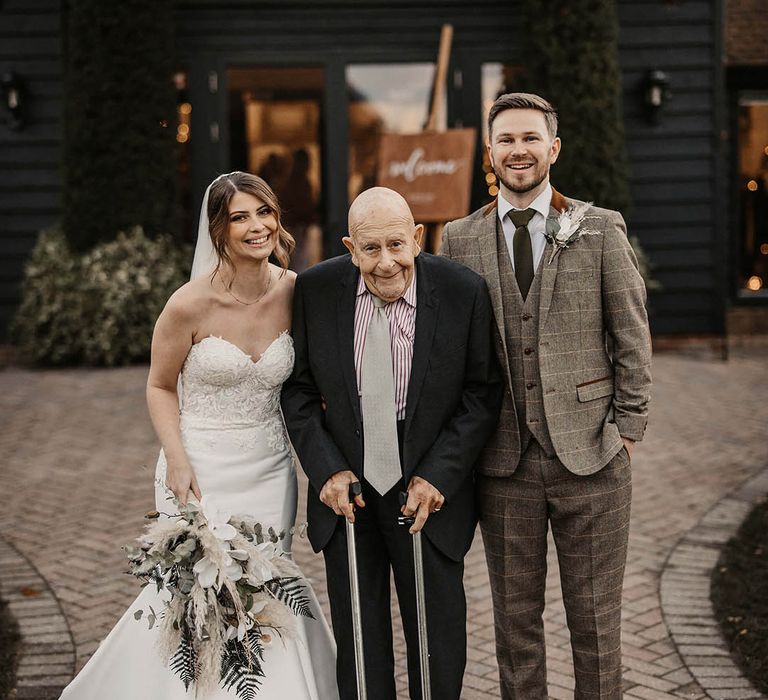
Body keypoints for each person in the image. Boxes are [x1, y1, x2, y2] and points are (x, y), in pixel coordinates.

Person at [60, 172, 338, 700]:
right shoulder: (188, 304)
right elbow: (160, 386)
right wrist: (177, 459)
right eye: (240, 217)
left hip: (270, 466)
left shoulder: (294, 291)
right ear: (218, 230)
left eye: (264, 212)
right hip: (199, 468)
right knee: (192, 594)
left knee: (264, 590)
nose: (256, 226)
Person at [440, 93, 652, 699]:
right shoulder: (460, 239)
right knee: (515, 629)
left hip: (593, 459)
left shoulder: (600, 228)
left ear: (553, 148)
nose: (518, 150)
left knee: (595, 627)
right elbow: (450, 352)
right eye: (505, 139)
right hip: (502, 464)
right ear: (490, 153)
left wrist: (628, 430)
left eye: (530, 138)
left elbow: (631, 335)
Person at [281, 187, 504, 700]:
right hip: (349, 486)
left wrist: (438, 475)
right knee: (359, 641)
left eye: (398, 246)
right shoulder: (315, 290)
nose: (386, 263)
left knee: (435, 641)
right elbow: (298, 388)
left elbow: (482, 392)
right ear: (349, 247)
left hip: (428, 483)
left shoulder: (462, 290)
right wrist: (327, 470)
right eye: (371, 249)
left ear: (419, 238)